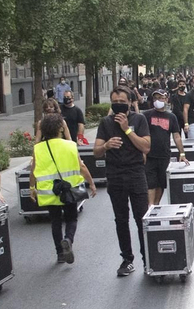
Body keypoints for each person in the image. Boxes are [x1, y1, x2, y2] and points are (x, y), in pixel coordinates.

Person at [93, 87, 153, 277]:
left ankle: (148, 259)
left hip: (136, 174)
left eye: (122, 101)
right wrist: (106, 145)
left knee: (141, 218)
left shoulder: (139, 119)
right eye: (115, 101)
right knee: (121, 220)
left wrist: (127, 129)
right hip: (115, 175)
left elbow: (146, 147)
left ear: (129, 103)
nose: (118, 104)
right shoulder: (106, 122)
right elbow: (96, 152)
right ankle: (127, 259)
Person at [32, 114, 95, 264]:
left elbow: (33, 170)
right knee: (71, 218)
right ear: (60, 128)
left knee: (55, 222)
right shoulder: (70, 145)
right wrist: (91, 183)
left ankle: (60, 254)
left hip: (50, 192)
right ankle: (68, 239)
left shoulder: (38, 149)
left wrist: (31, 188)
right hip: (69, 190)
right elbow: (81, 166)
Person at [143, 87, 187, 205]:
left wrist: (182, 153)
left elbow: (176, 136)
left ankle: (156, 204)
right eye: (156, 98)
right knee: (150, 182)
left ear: (166, 99)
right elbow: (141, 134)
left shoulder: (171, 117)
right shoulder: (146, 115)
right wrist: (142, 152)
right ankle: (150, 206)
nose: (158, 100)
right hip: (149, 155)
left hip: (164, 155)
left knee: (161, 183)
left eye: (161, 98)